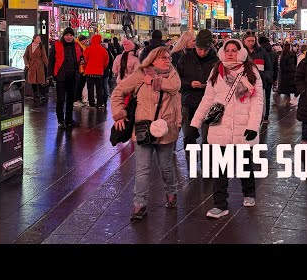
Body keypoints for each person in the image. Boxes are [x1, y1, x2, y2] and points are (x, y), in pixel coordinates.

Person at [188, 39, 263, 218]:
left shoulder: (250, 71)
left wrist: (253, 126)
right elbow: (208, 99)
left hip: (243, 127)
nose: (230, 53)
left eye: (234, 50)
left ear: (241, 52)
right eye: (227, 50)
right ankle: (220, 204)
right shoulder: (217, 71)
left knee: (245, 163)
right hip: (220, 126)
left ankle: (249, 192)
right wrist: (194, 124)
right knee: (220, 169)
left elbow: (257, 100)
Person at [111, 46, 181, 221]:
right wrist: (119, 114)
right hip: (143, 128)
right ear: (153, 59)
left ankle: (171, 192)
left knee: (166, 167)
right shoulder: (140, 74)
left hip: (166, 128)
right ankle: (139, 204)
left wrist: (154, 81)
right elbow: (118, 92)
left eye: (168, 58)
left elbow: (174, 87)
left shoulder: (172, 74)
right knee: (142, 169)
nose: (168, 60)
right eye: (163, 58)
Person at [176, 29, 219, 160]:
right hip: (190, 101)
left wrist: (210, 85)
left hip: (209, 102)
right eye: (200, 49)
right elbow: (177, 80)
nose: (202, 52)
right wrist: (189, 83)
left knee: (208, 135)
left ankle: (207, 162)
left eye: (205, 49)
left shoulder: (216, 60)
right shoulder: (185, 59)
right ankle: (191, 160)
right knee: (189, 134)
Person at [47, 27, 82, 129]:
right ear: (64, 36)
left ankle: (69, 119)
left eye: (71, 35)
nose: (69, 37)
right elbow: (51, 60)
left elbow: (80, 57)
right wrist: (50, 75)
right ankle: (60, 120)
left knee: (71, 99)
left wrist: (82, 60)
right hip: (61, 76)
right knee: (61, 99)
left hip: (73, 76)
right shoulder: (57, 45)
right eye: (67, 35)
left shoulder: (76, 45)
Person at [242, 31, 273, 120]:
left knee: (258, 102)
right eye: (249, 41)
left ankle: (260, 118)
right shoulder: (241, 52)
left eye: (253, 41)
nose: (251, 43)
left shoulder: (262, 51)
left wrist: (265, 77)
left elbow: (268, 66)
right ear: (244, 41)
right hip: (245, 83)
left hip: (260, 82)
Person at [83, 34, 110, 109]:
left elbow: (85, 60)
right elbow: (106, 62)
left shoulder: (88, 49)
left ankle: (91, 103)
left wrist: (85, 68)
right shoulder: (103, 50)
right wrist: (102, 68)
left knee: (90, 88)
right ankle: (99, 103)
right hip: (99, 72)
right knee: (99, 88)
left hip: (89, 72)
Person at [258, 36, 278, 122]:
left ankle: (259, 115)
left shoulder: (258, 52)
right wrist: (274, 79)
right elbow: (276, 67)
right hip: (269, 77)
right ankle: (266, 116)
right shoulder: (274, 53)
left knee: (258, 97)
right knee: (267, 97)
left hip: (260, 77)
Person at [23, 34, 49, 101]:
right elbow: (25, 56)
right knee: (33, 81)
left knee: (40, 81)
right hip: (32, 65)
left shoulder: (41, 47)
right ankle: (35, 94)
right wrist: (27, 64)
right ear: (34, 39)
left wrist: (48, 65)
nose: (39, 40)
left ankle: (40, 94)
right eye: (38, 38)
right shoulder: (29, 47)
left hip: (39, 65)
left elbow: (44, 56)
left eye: (40, 39)